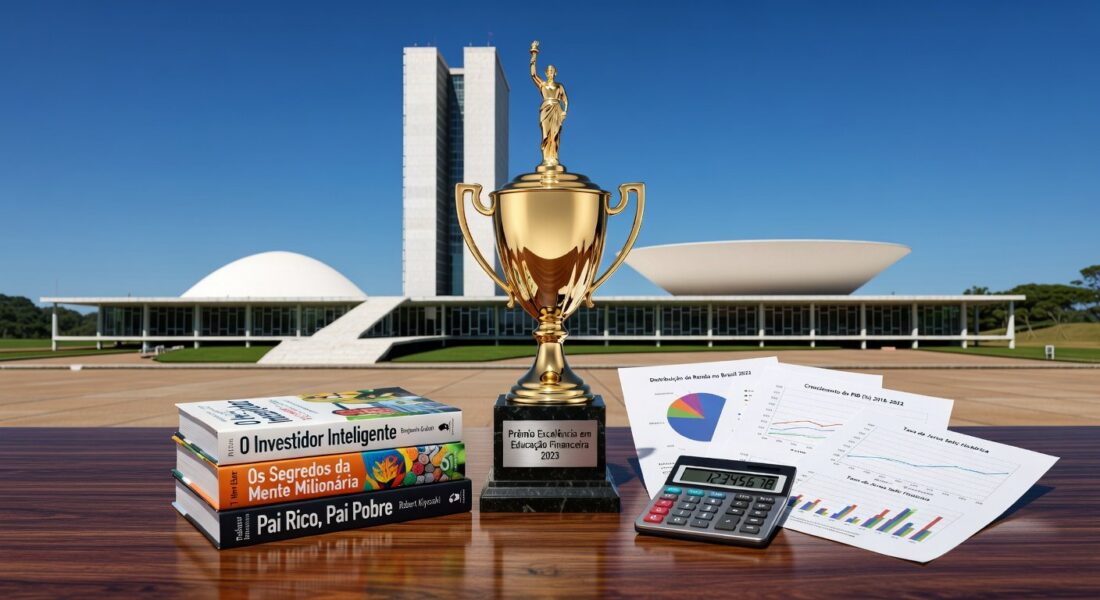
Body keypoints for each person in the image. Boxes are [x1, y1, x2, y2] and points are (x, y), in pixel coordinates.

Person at [530, 41, 568, 166]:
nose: (550, 72)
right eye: (548, 70)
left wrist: (564, 112)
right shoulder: (543, 84)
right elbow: (533, 74)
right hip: (545, 108)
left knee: (555, 134)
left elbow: (565, 101)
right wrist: (534, 53)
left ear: (555, 73)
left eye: (552, 70)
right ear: (546, 73)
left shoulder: (559, 86)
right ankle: (546, 159)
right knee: (545, 134)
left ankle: (554, 157)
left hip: (557, 109)